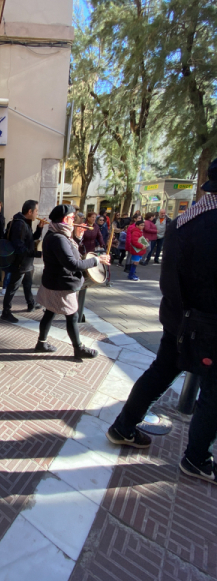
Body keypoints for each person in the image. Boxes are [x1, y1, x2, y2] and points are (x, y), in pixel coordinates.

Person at [106, 158, 217, 485]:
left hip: (177, 318)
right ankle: (196, 458)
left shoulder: (185, 220)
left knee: (161, 371)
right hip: (208, 324)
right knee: (212, 392)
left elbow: (170, 277)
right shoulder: (205, 222)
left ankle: (123, 425)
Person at [34, 204, 110, 357]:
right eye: (72, 218)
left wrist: (77, 237)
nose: (74, 220)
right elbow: (73, 264)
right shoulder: (58, 238)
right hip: (61, 284)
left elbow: (68, 252)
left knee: (50, 312)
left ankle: (41, 343)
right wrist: (96, 260)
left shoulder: (54, 233)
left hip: (53, 281)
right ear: (65, 219)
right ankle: (78, 348)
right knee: (72, 316)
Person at [0, 199, 43, 323]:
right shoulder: (20, 224)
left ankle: (31, 303)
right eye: (36, 211)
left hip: (25, 263)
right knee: (13, 287)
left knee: (27, 284)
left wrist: (39, 229)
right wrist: (38, 254)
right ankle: (6, 312)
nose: (37, 214)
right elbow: (19, 247)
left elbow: (30, 240)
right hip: (20, 263)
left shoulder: (25, 222)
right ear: (30, 211)